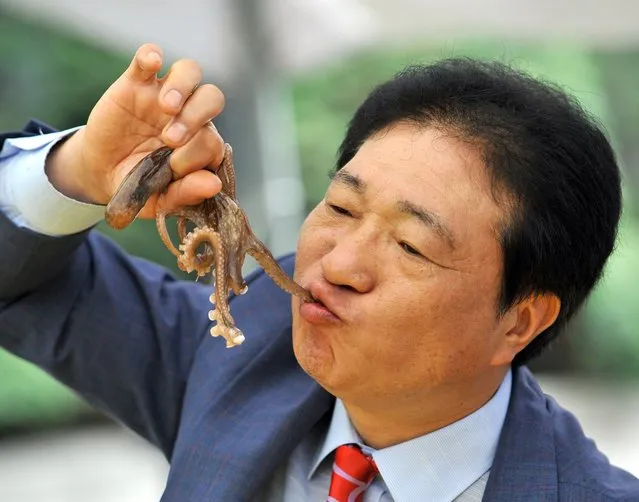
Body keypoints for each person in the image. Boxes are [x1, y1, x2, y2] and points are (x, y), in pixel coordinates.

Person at [0, 43, 636, 502]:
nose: (338, 264)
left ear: (519, 320)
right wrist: (82, 171)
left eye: (412, 246)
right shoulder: (238, 355)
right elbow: (23, 283)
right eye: (340, 206)